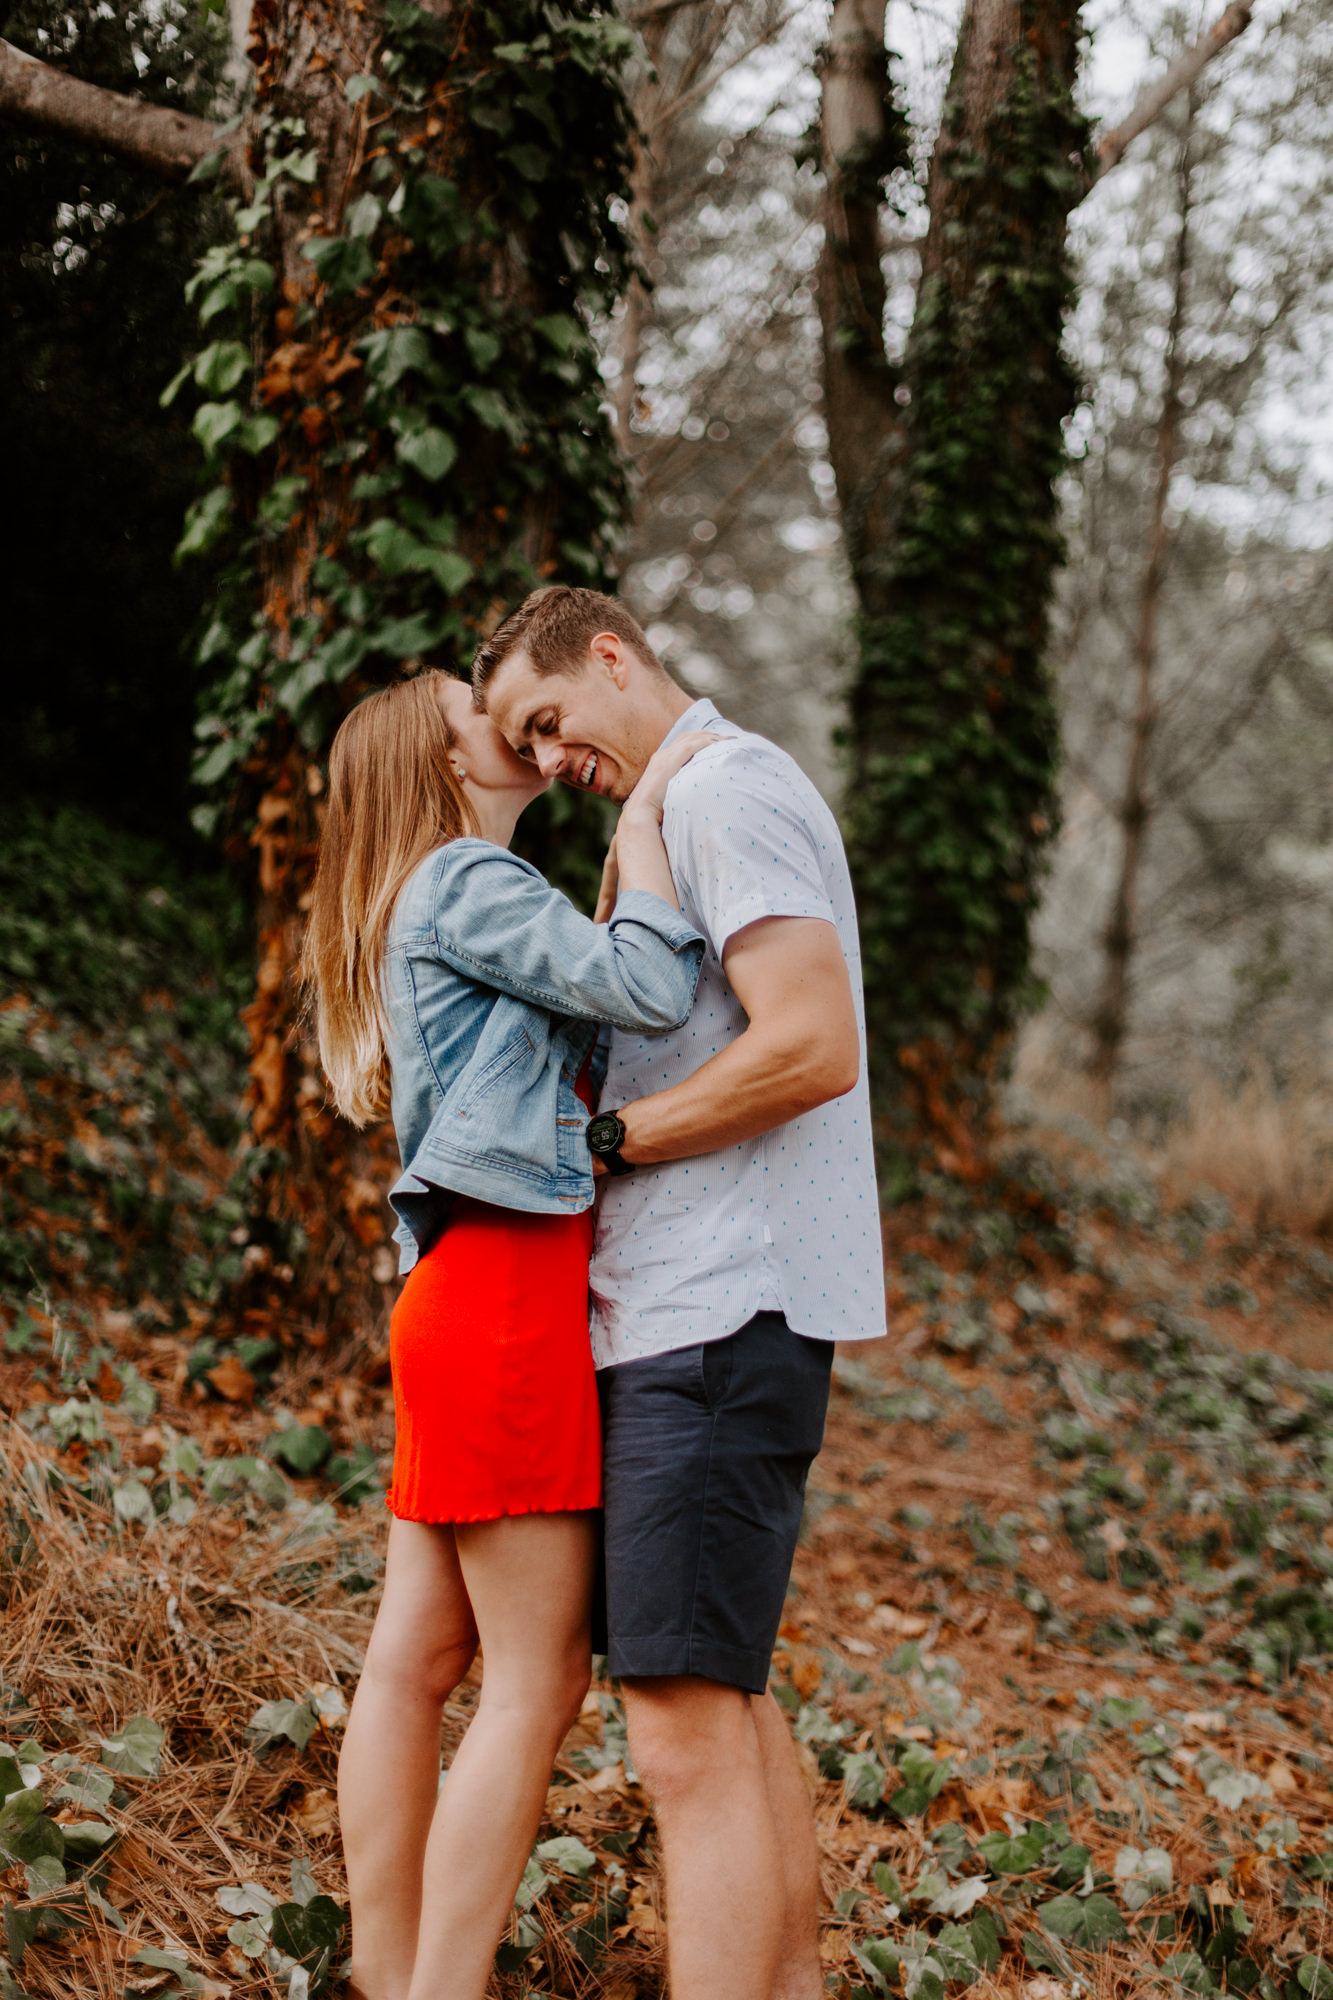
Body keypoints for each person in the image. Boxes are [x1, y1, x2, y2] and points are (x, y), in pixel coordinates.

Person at [475, 585, 888, 2000]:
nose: (546, 761)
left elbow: (812, 1043)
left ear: (610, 656)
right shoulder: (686, 807)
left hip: (716, 1308)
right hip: (712, 1309)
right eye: (522, 748)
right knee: (720, 1704)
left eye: (550, 722)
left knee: (674, 1729)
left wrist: (601, 1142)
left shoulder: (721, 788)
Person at [301, 667, 713, 2000]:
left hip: (457, 1291)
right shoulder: (470, 886)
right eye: (476, 707)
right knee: (534, 1684)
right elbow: (646, 988)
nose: (509, 715)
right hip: (503, 1301)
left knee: (417, 1661)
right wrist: (643, 838)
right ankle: (439, 1987)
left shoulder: (438, 895)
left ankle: (385, 1969)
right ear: (442, 757)